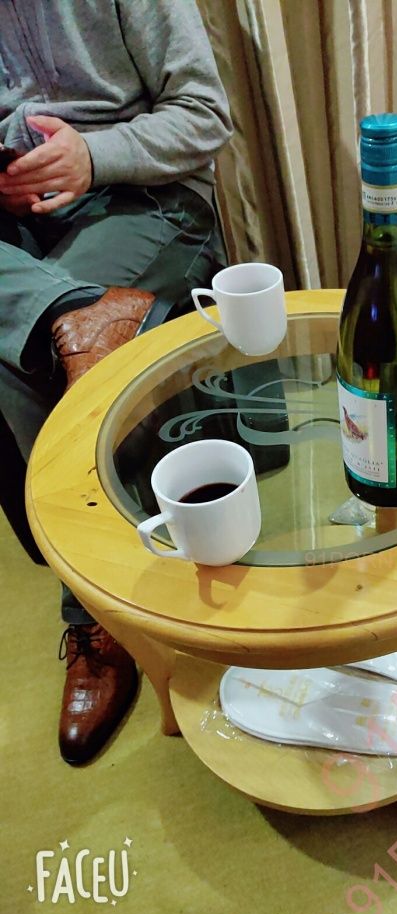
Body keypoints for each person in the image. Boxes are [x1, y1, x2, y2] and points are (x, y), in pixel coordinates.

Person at [0, 0, 233, 765]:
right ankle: (75, 312)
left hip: (145, 196)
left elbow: (206, 116)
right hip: (18, 222)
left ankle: (94, 615)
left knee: (15, 351)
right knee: (46, 324)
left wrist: (92, 158)